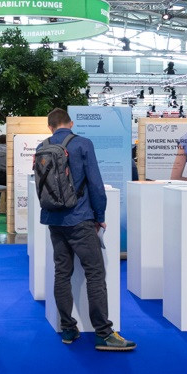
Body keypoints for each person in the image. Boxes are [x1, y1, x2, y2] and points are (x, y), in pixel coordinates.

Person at [40, 108, 136, 351]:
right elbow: (95, 183)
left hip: (54, 219)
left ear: (50, 126)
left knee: (62, 273)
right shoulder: (83, 144)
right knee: (95, 273)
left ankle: (68, 329)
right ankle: (103, 333)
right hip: (80, 218)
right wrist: (100, 216)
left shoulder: (43, 146)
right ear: (70, 123)